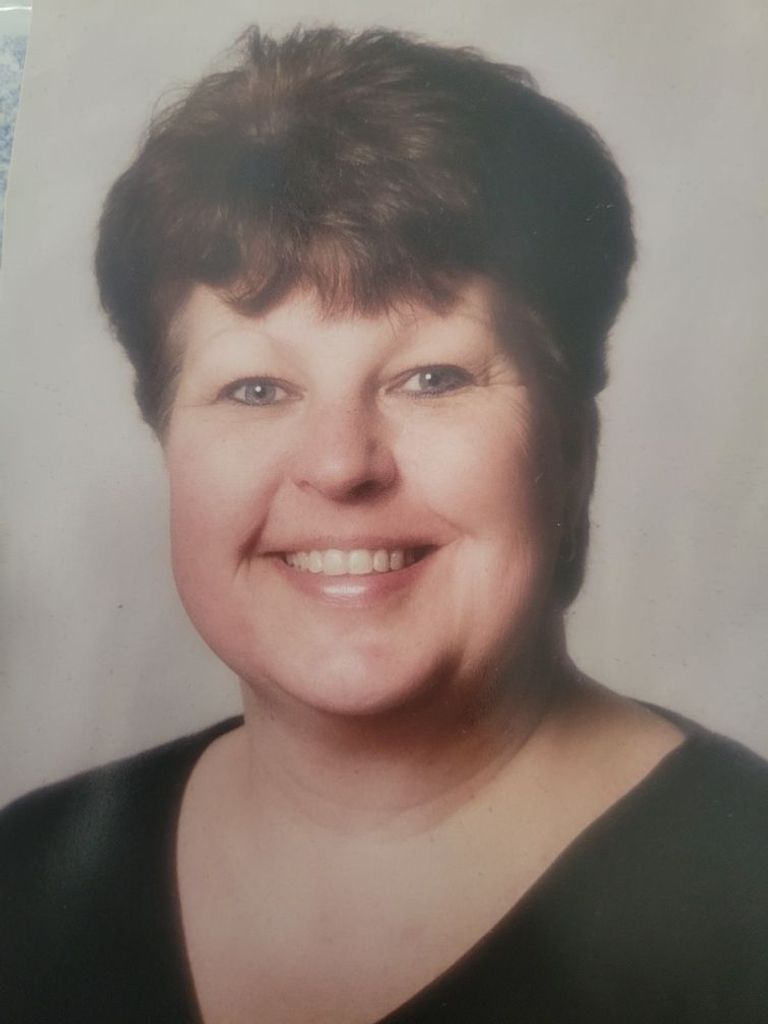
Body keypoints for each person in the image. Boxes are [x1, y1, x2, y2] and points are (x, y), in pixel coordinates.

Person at [1, 25, 766, 1024]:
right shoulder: (24, 879)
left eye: (431, 377)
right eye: (256, 388)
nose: (340, 464)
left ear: (573, 443)